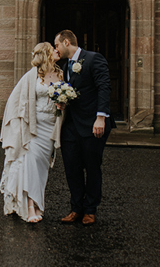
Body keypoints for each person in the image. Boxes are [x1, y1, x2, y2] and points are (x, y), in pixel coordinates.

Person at [54, 29, 115, 226]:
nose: (56, 50)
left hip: (92, 124)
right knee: (72, 167)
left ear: (65, 42)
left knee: (92, 167)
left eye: (56, 45)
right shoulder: (66, 66)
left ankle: (90, 210)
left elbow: (104, 87)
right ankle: (76, 208)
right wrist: (63, 103)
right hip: (71, 125)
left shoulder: (93, 58)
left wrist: (101, 118)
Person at [0, 42, 64, 223]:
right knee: (30, 164)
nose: (56, 50)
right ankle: (28, 207)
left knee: (42, 168)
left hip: (50, 128)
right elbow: (15, 99)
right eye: (53, 48)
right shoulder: (32, 75)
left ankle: (37, 204)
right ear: (46, 54)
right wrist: (19, 122)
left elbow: (60, 99)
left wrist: (62, 105)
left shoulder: (59, 74)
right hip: (33, 127)